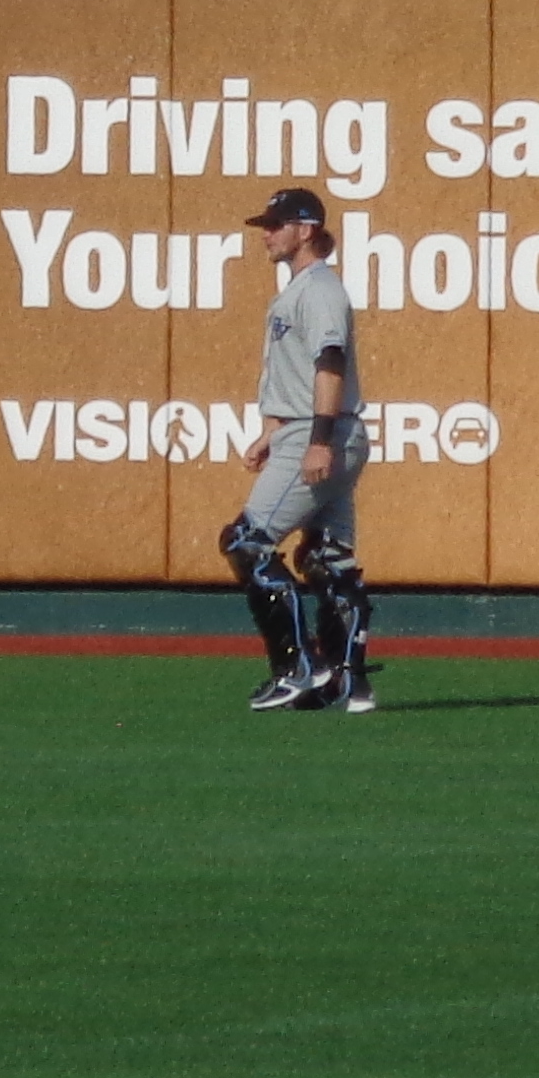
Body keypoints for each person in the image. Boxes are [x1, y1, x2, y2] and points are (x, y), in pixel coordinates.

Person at [225, 185, 373, 712]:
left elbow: (329, 363)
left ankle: (296, 667)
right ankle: (347, 677)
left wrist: (317, 442)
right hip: (316, 430)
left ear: (306, 229)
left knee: (247, 543)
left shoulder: (319, 290)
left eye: (277, 224)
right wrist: (272, 432)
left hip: (320, 433)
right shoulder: (302, 290)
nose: (267, 233)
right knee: (326, 558)